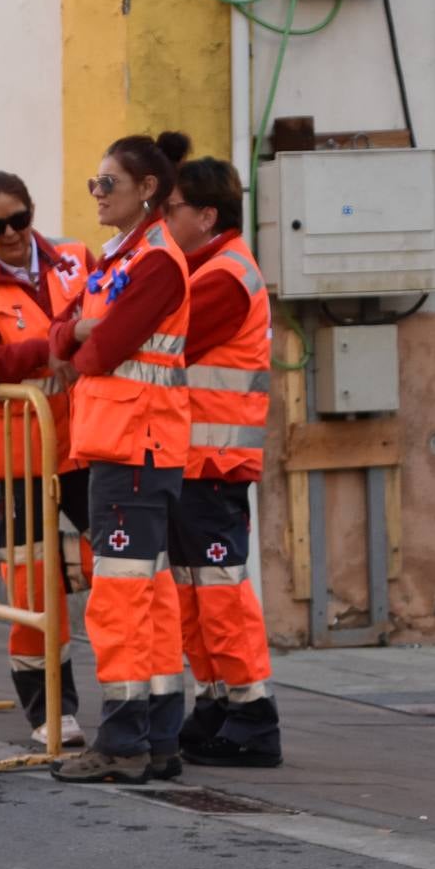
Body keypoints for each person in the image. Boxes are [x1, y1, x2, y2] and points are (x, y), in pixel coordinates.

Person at [46, 133, 192, 786]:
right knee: (148, 595)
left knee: (122, 598)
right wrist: (76, 334)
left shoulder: (155, 262)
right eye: (94, 183)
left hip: (135, 444)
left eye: (109, 183)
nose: (97, 194)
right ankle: (156, 738)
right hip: (126, 444)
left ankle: (124, 740)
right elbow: (63, 330)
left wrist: (79, 339)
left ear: (147, 190)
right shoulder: (119, 257)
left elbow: (97, 351)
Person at [0, 170, 93, 747]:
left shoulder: (78, 259)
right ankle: (50, 710)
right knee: (32, 589)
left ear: (32, 213)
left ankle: (139, 694)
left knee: (120, 566)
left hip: (86, 445)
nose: (9, 234)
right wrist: (53, 347)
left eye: (18, 221)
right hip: (16, 458)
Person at [156, 140, 282, 768]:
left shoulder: (225, 277)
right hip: (191, 463)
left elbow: (164, 340)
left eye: (172, 207)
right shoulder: (206, 270)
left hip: (214, 465)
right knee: (193, 590)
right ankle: (215, 702)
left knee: (220, 591)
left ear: (206, 216)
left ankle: (253, 714)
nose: (164, 219)